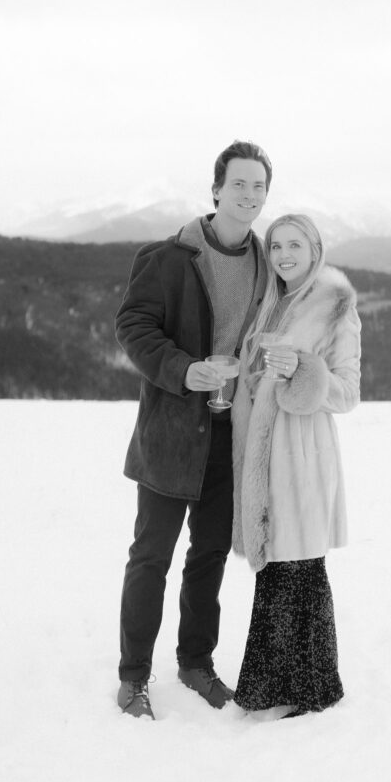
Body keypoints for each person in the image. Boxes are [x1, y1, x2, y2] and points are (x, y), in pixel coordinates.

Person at [115, 140, 272, 719]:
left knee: (207, 555)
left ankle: (194, 663)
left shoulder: (265, 263)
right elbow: (133, 325)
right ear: (215, 189)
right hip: (170, 433)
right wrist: (186, 370)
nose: (249, 196)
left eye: (259, 187)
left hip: (229, 436)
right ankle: (134, 678)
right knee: (150, 556)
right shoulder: (169, 257)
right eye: (239, 185)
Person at [231, 213, 361, 718]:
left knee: (300, 566)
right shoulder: (272, 305)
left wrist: (304, 370)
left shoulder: (335, 309)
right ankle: (275, 689)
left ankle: (310, 690)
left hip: (304, 454)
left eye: (295, 245)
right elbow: (258, 378)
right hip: (265, 455)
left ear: (315, 248)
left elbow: (347, 392)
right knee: (278, 568)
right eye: (277, 246)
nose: (284, 255)